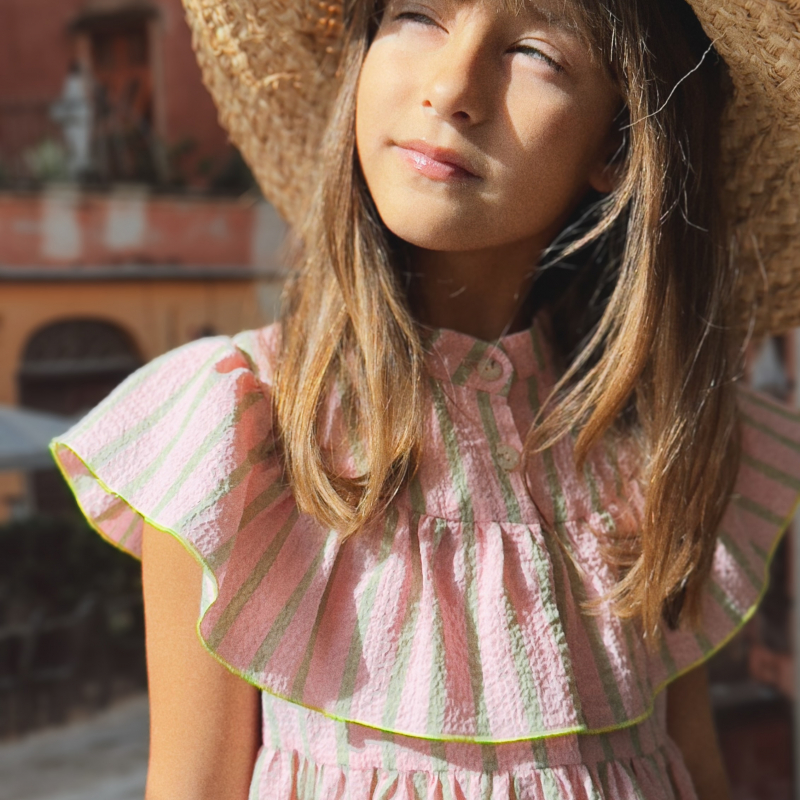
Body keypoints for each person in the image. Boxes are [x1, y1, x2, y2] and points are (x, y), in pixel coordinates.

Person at [49, 0, 800, 798]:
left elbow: (696, 770)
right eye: (415, 13)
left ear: (619, 142)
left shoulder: (656, 441)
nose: (452, 87)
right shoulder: (236, 431)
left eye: (538, 53)